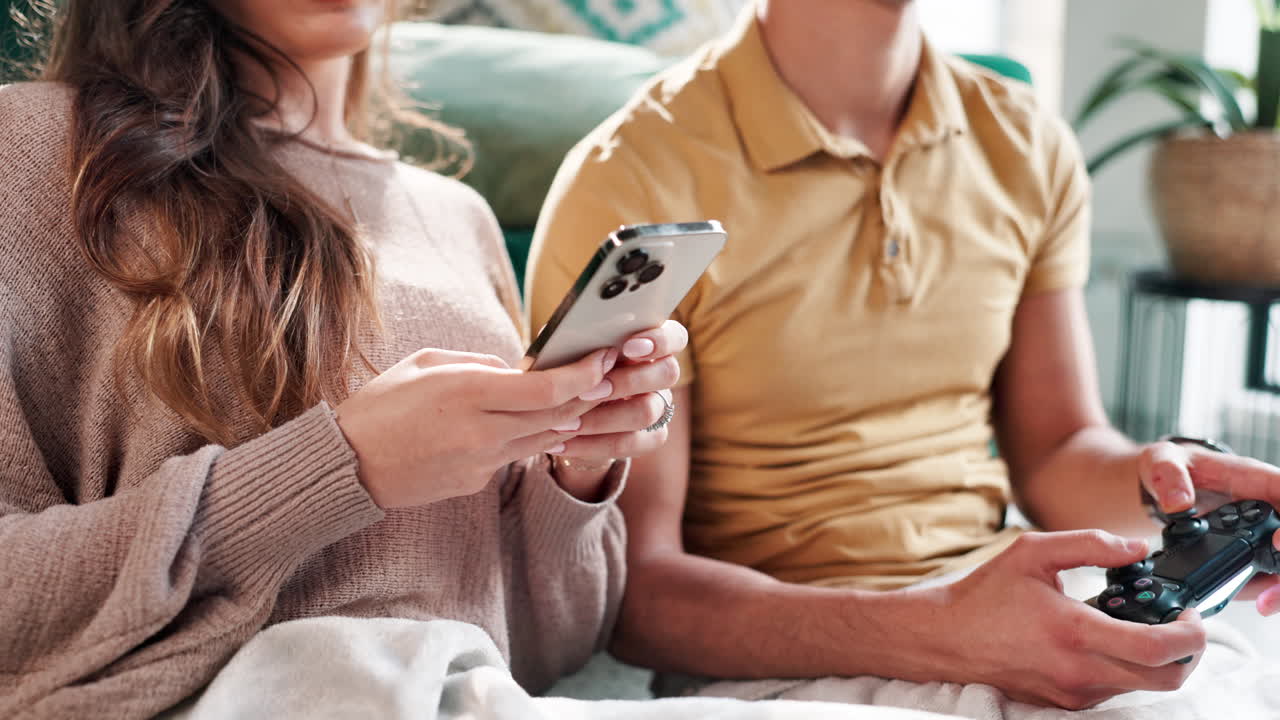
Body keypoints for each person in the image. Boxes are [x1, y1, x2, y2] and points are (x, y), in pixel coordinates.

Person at [527, 0, 1280, 711]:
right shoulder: (632, 174)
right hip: (783, 666)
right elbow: (633, 594)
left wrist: (1176, 490)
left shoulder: (1024, 143)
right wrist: (945, 631)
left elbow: (1057, 455)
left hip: (1016, 603)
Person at [0, 1, 687, 717]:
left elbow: (545, 650)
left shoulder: (458, 217)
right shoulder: (33, 148)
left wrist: (571, 465)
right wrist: (341, 468)